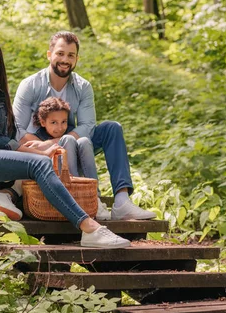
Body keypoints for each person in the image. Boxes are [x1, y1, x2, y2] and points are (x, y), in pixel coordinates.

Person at [0, 30, 130, 248]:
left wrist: (40, 148)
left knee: (35, 167)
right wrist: (40, 151)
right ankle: (90, 228)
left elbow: (9, 136)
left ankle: (3, 194)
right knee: (39, 163)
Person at [13, 31, 156, 221]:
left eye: (71, 55)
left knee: (112, 128)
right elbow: (16, 129)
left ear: (76, 59)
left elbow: (88, 125)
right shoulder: (30, 85)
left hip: (71, 138)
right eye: (60, 53)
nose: (65, 59)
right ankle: (79, 200)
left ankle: (122, 201)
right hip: (38, 145)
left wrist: (61, 140)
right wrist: (46, 145)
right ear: (49, 54)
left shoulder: (83, 86)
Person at [32, 97, 98, 183]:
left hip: (78, 170)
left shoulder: (70, 131)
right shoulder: (39, 138)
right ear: (43, 122)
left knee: (84, 141)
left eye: (63, 122)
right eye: (54, 122)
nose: (60, 128)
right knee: (68, 138)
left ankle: (94, 191)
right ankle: (72, 187)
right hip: (55, 177)